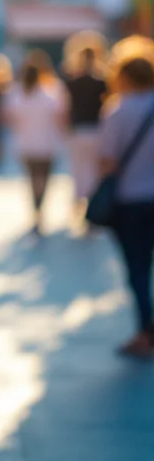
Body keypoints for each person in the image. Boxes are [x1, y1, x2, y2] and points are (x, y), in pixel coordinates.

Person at [98, 46, 154, 358]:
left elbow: (107, 161)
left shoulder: (118, 110)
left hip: (131, 200)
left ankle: (146, 331)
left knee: (138, 269)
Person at [4, 51, 65, 236]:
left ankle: (36, 211)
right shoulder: (51, 93)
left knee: (32, 180)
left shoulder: (15, 95)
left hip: (25, 144)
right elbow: (61, 118)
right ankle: (40, 210)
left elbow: (8, 118)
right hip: (47, 143)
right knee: (43, 180)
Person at [63, 35, 109, 224]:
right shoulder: (102, 82)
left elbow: (66, 108)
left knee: (79, 170)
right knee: (93, 171)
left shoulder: (72, 82)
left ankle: (81, 204)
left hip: (78, 130)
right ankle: (90, 205)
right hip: (97, 130)